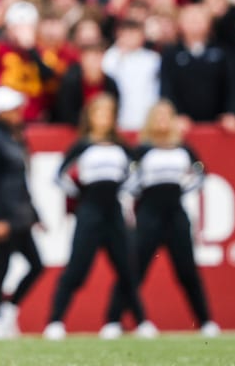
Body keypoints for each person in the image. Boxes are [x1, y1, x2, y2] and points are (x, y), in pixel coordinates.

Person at [43, 94, 157, 341]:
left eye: (108, 113)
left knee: (127, 269)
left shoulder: (122, 146)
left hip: (114, 212)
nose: (104, 118)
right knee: (77, 269)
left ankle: (137, 321)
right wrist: (80, 194)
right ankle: (55, 322)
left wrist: (123, 190)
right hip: (90, 212)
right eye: (99, 113)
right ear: (90, 117)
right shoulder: (82, 145)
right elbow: (59, 175)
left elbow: (137, 175)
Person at [102, 101, 219, 338]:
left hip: (176, 214)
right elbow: (129, 180)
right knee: (134, 269)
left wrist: (179, 191)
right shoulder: (143, 151)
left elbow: (200, 173)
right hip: (149, 215)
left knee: (187, 271)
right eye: (158, 117)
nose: (163, 121)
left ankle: (205, 322)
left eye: (167, 116)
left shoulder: (184, 149)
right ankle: (112, 320)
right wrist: (145, 193)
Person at [0, 87, 44, 340]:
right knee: (2, 268)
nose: (18, 113)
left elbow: (22, 182)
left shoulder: (14, 138)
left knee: (37, 265)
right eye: (13, 109)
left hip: (20, 215)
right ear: (0, 112)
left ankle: (8, 310)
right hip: (3, 216)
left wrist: (36, 215)